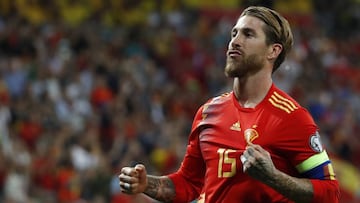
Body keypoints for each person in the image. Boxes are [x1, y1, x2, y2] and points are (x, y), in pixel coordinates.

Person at [118, 6, 340, 203]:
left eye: (248, 34)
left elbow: (330, 192)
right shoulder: (208, 112)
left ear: (273, 50)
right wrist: (147, 185)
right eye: (234, 33)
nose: (235, 40)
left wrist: (274, 178)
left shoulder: (292, 117)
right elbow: (188, 184)